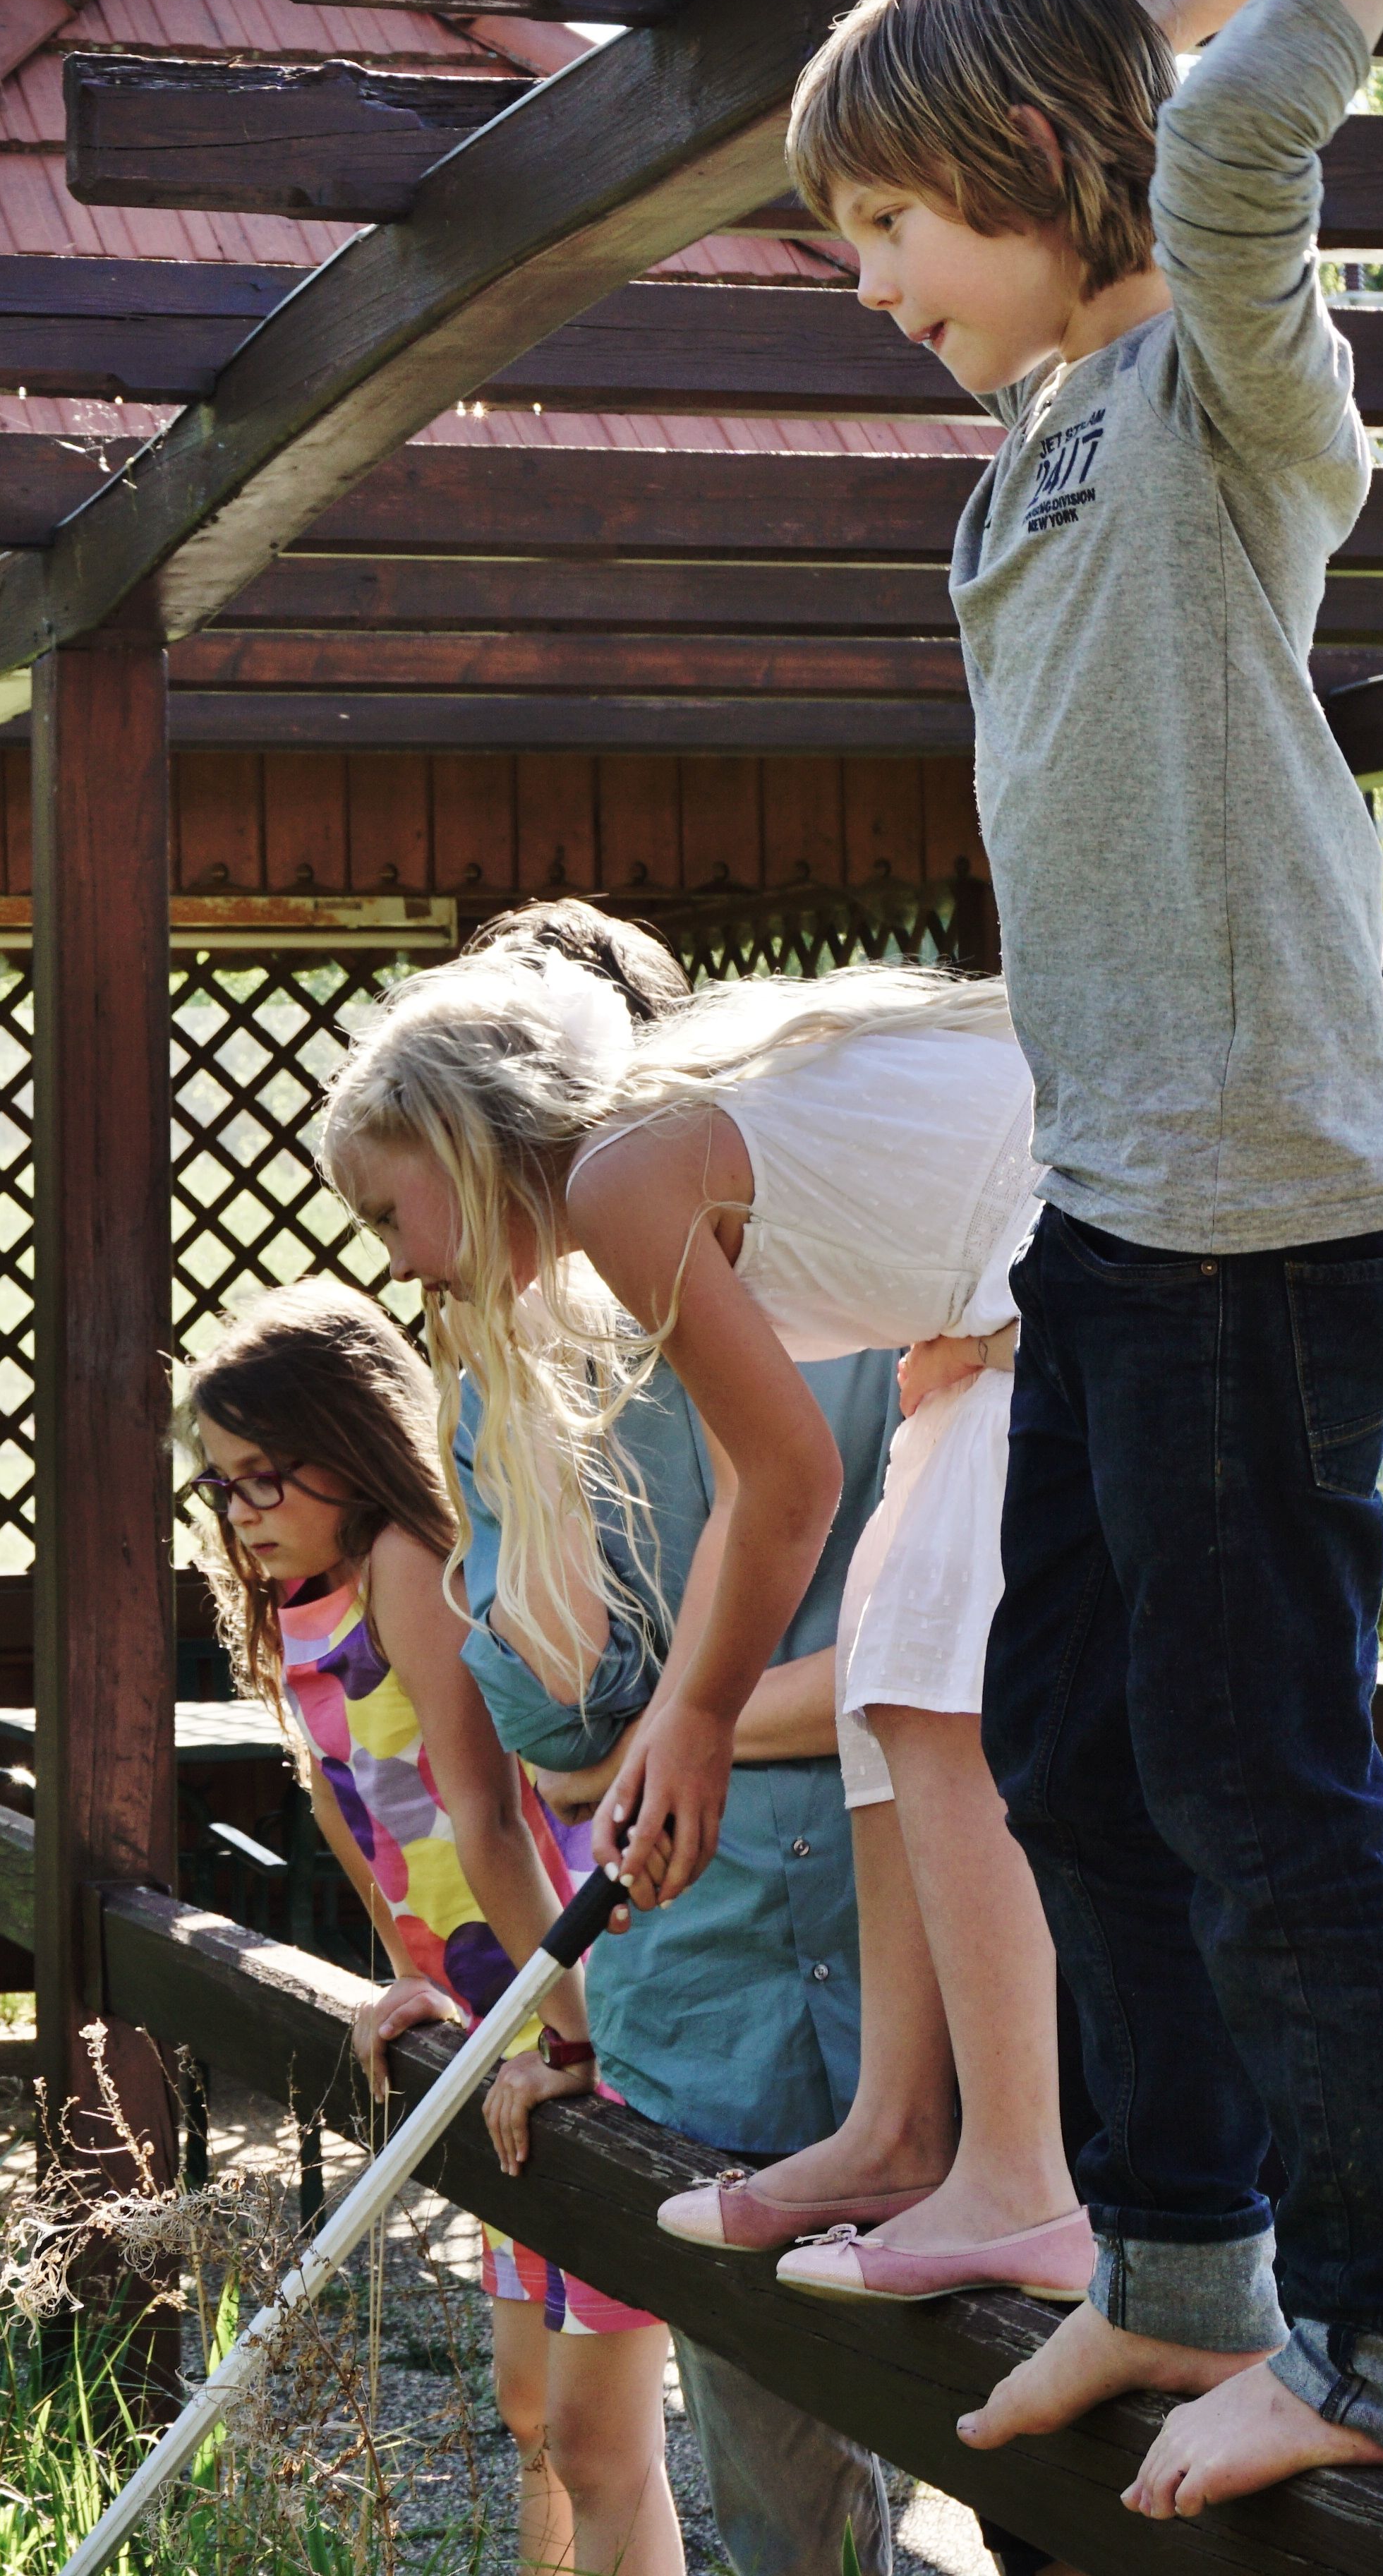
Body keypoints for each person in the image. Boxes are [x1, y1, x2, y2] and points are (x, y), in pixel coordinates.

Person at [777, 0, 1383, 2511]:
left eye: (888, 216)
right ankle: (1174, 2266)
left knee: (1253, 1775)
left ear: (1022, 177)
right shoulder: (1021, 447)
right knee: (1062, 1738)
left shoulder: (1236, 393)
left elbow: (1231, 157)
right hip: (1112, 1207)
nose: (866, 277)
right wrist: (1162, 4)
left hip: (1275, 1189)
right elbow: (1153, 112)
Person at [322, 949, 1078, 2324]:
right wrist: (688, 1711)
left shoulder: (619, 1177)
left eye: (389, 1212)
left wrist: (703, 1716)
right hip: (1023, 1302)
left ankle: (1018, 2172)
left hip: (1110, 1284)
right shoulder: (662, 1150)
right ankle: (902, 2123)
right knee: (891, 1663)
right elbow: (753, 1483)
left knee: (916, 1683)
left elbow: (799, 1478)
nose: (403, 1264)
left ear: (458, 1141)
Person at [435, 901, 917, 2576]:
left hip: (739, 1963)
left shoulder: (534, 1363)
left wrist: (678, 1722)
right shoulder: (859, 1256)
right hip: (873, 1941)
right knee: (1007, 2467)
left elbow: (567, 1732)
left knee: (790, 2496)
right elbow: (919, 1653)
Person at [185, 1282, 679, 2576]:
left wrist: (566, 2034)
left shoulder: (410, 1562)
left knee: (593, 2432)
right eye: (220, 1486)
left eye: (262, 1478)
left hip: (576, 2002)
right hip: (495, 2015)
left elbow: (493, 1820)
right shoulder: (303, 1603)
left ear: (347, 1447)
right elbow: (364, 1824)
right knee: (530, 2404)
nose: (239, 1514)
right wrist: (417, 1981)